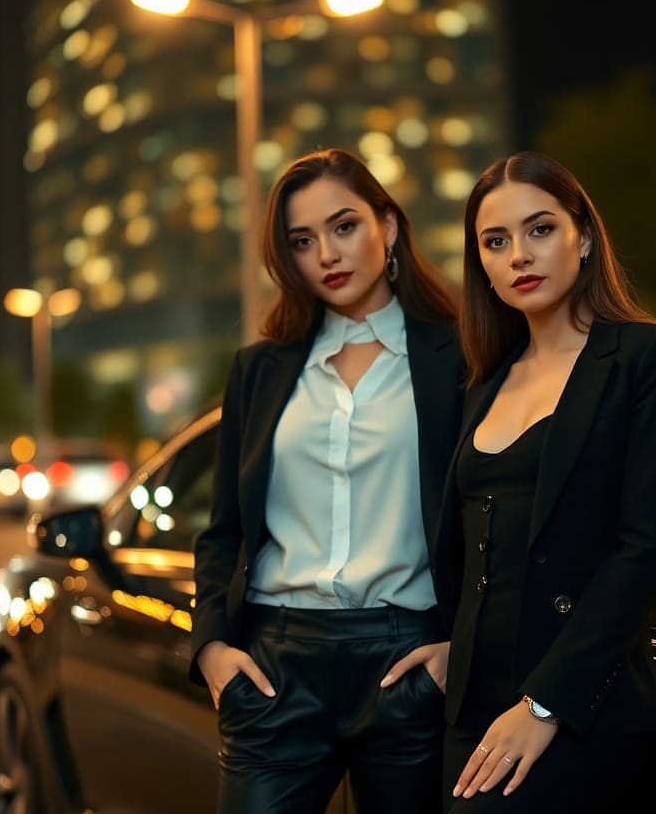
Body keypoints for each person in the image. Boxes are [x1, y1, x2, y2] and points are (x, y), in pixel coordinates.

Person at [190, 147, 463, 814]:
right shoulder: (261, 369)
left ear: (389, 227)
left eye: (344, 227)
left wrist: (459, 655)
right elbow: (224, 527)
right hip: (277, 664)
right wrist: (212, 651)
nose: (327, 255)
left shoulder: (459, 355)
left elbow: (498, 519)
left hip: (409, 661)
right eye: (303, 241)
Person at [439, 151, 656, 812]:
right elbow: (463, 544)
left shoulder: (647, 356)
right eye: (496, 242)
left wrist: (546, 703)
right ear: (483, 266)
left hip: (579, 708)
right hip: (471, 711)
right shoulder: (483, 380)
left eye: (540, 229)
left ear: (582, 236)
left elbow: (645, 545)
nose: (519, 255)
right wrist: (441, 643)